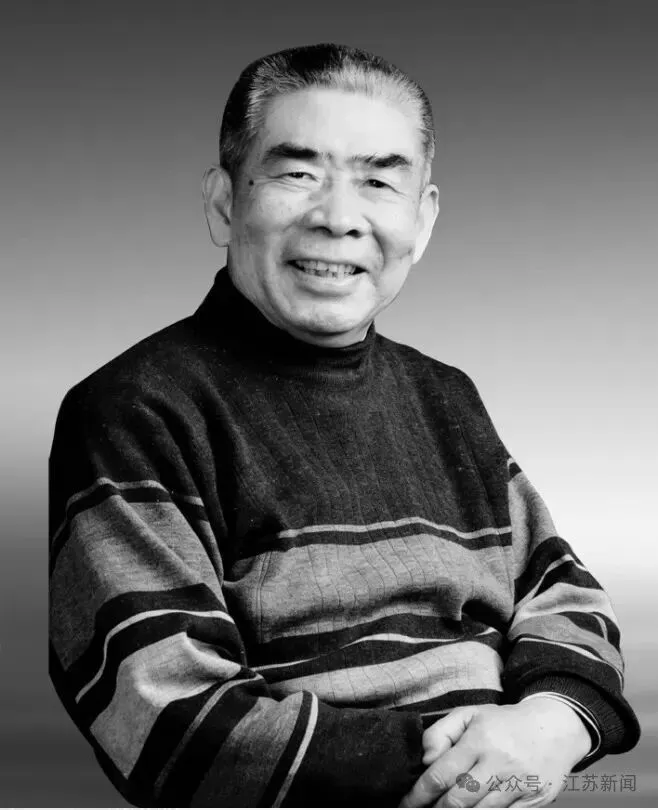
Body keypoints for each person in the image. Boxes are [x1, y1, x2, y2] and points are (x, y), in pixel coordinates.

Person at [49, 43, 640, 808]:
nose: (337, 218)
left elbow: (564, 596)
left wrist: (554, 723)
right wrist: (474, 766)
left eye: (379, 181)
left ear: (422, 220)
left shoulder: (446, 397)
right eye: (297, 174)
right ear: (224, 203)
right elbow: (167, 719)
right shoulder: (136, 410)